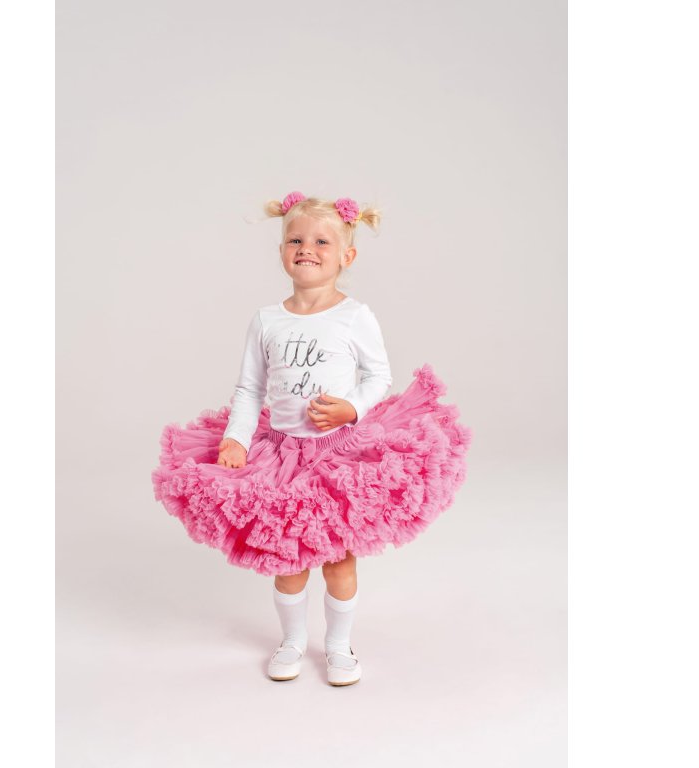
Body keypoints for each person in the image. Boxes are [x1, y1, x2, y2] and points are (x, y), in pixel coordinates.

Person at [151, 191, 472, 686]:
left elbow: (379, 376)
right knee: (289, 561)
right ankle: (293, 641)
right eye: (295, 240)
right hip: (281, 455)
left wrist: (351, 408)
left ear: (347, 256)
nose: (307, 248)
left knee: (339, 560)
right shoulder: (267, 320)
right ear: (282, 250)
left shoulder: (354, 316)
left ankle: (339, 645)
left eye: (322, 241)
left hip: (338, 455)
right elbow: (249, 389)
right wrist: (236, 438)